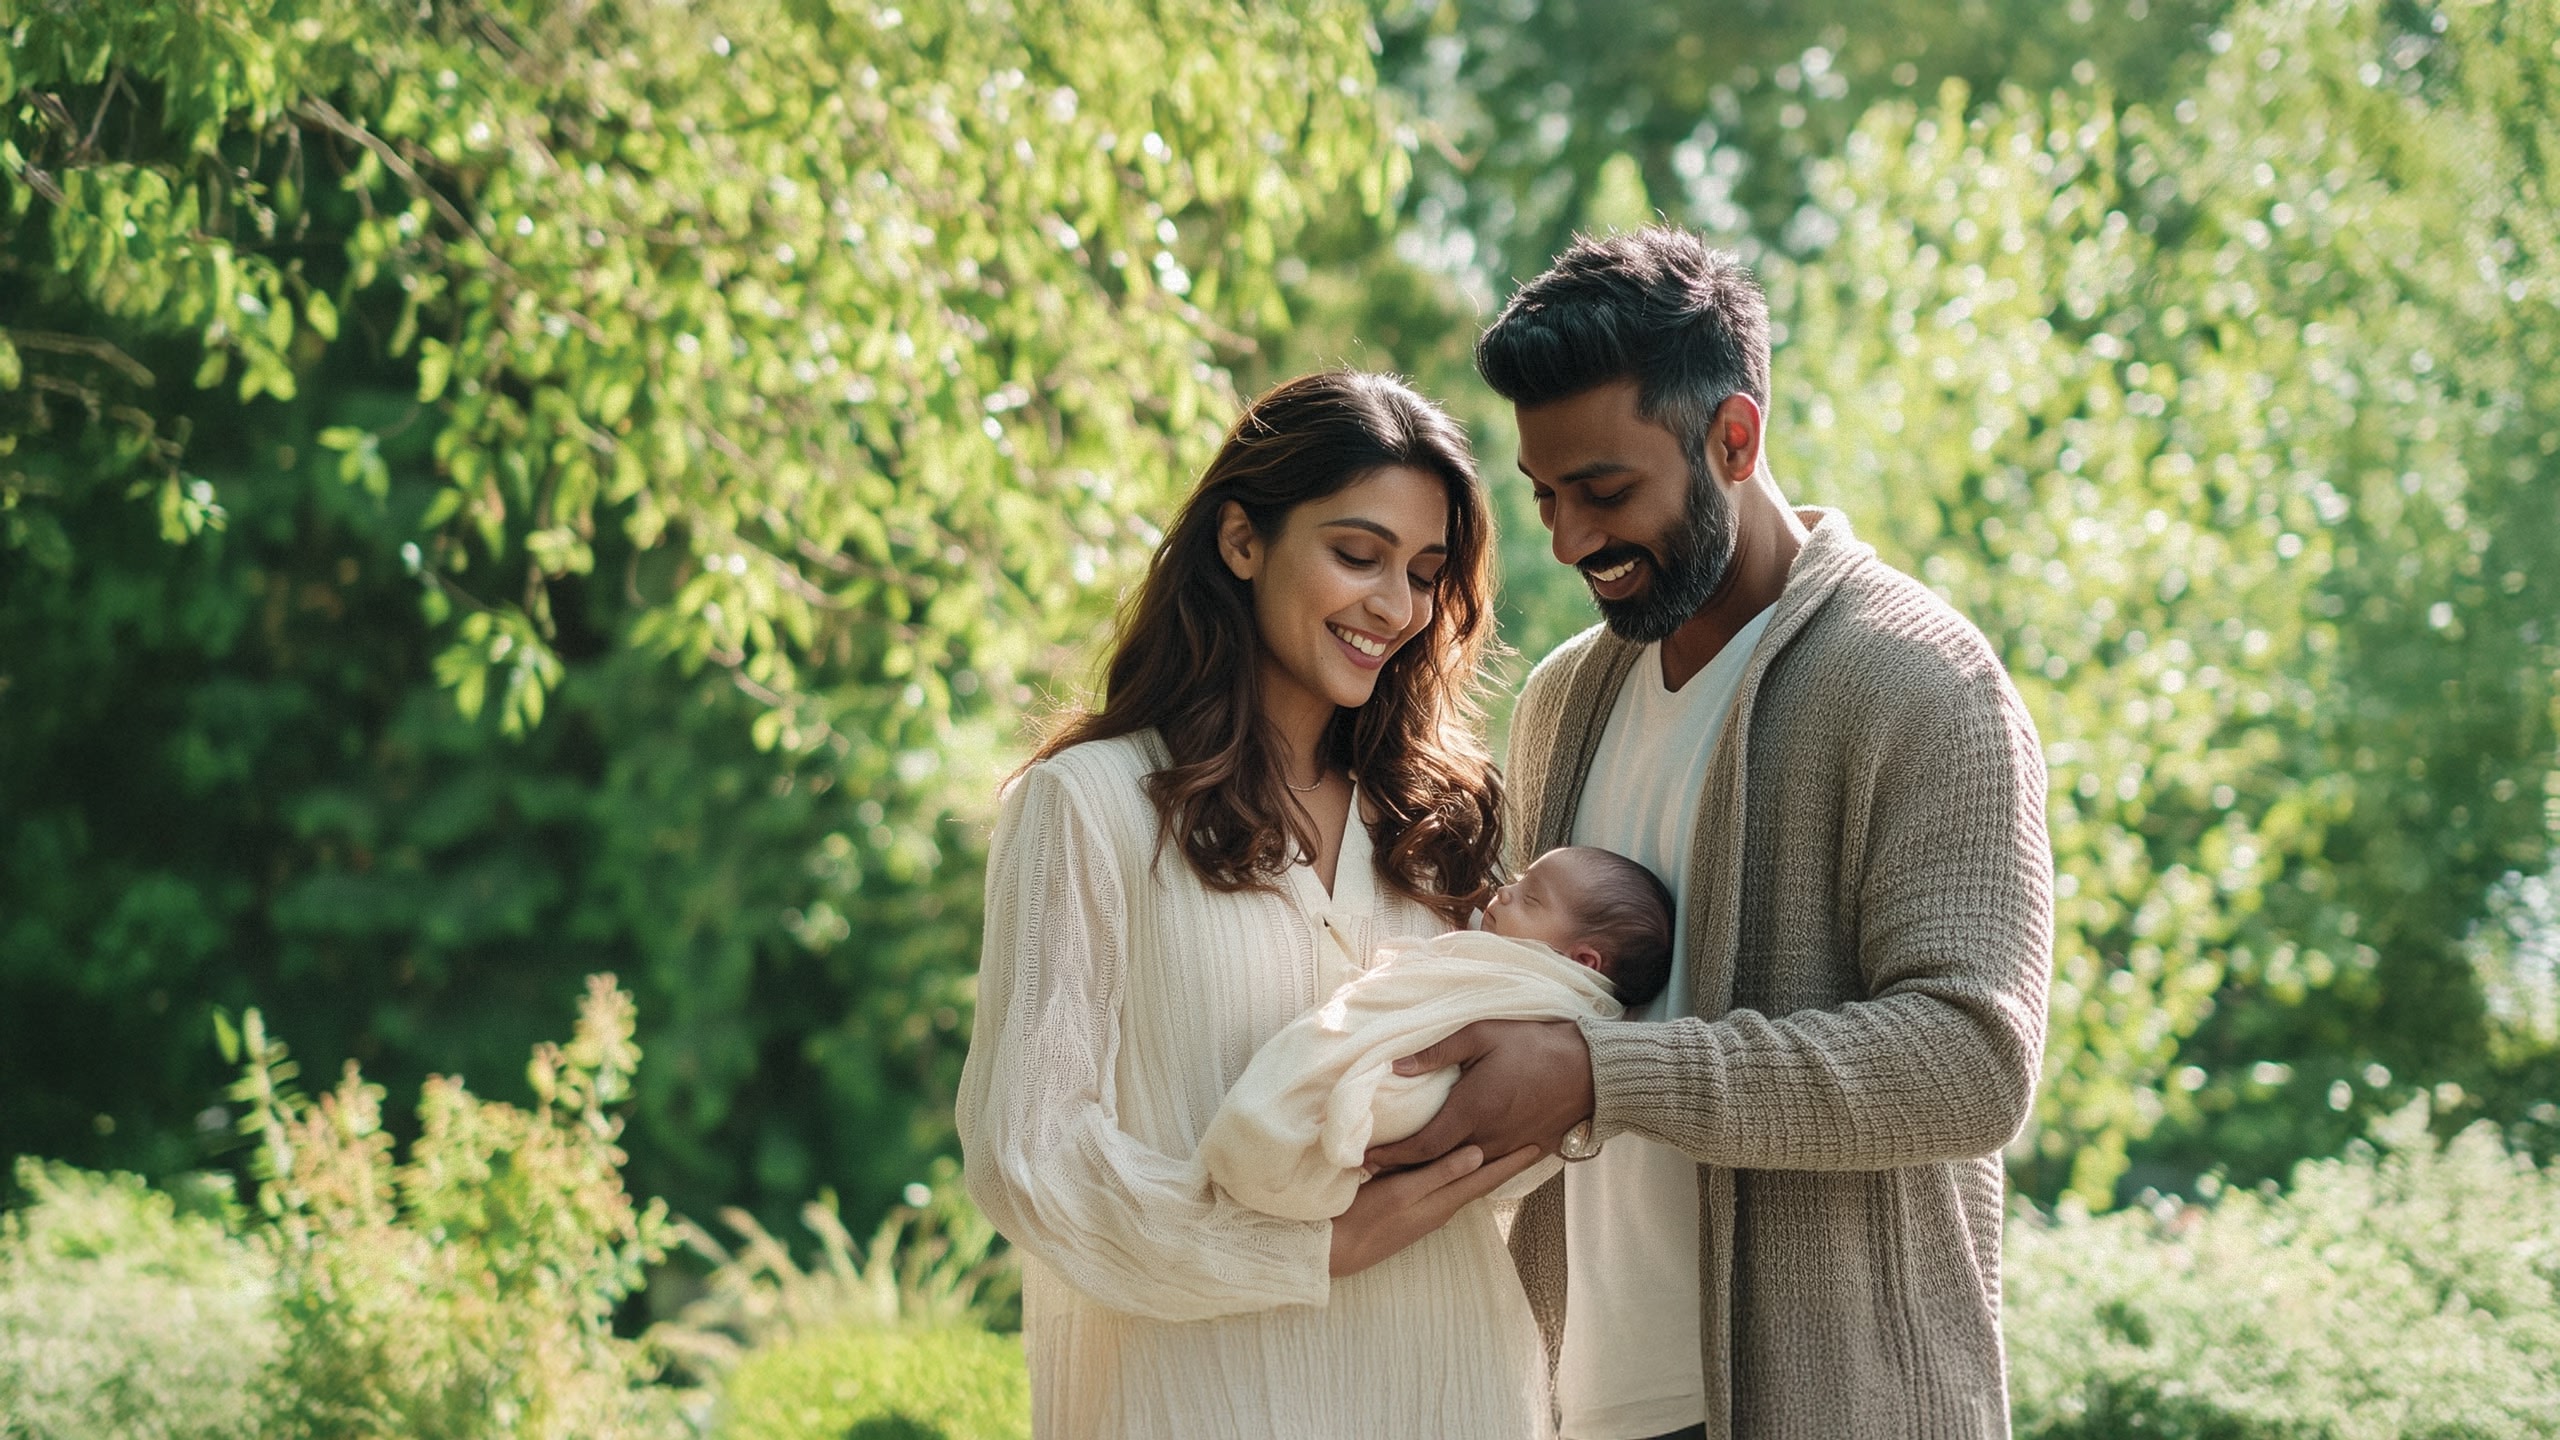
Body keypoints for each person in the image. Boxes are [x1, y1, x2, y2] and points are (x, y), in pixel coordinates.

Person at [1363, 229, 2055, 1439]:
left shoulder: (1919, 681)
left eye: (1607, 490)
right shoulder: (1565, 700)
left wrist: (1602, 1075)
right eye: (1545, 497)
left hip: (1833, 1405)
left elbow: (1972, 1065)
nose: (1570, 542)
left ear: (1733, 439)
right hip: (1576, 1406)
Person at [956, 370, 1552, 1438]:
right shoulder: (1087, 807)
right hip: (1206, 1398)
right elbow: (1030, 1154)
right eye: (1356, 555)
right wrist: (1300, 1249)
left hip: (1451, 1385)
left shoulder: (1439, 824)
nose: (1395, 607)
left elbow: (1510, 1122)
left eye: (1422, 574)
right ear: (1240, 541)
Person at [1201, 845, 1674, 1222]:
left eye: (1531, 899)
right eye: (1517, 880)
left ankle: (1319, 1130)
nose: (1504, 892)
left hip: (1446, 1092)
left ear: (1583, 962)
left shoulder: (1553, 999)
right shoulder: (1501, 953)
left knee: (1389, 1093)